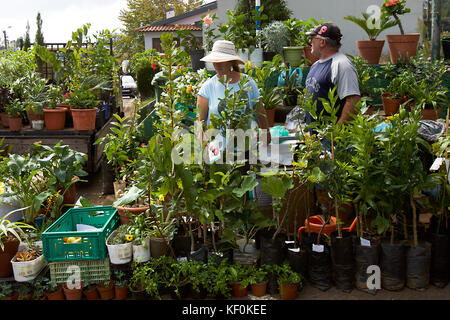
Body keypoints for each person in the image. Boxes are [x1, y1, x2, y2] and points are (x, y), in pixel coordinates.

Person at [197, 40, 271, 158]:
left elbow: (260, 111)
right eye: (215, 61)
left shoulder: (248, 83)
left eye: (221, 61)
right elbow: (200, 121)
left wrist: (266, 134)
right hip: (217, 152)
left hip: (243, 149)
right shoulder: (207, 88)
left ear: (231, 61)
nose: (217, 64)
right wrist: (203, 148)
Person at [304, 23, 361, 125]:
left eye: (312, 38)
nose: (309, 41)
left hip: (332, 138)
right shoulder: (315, 65)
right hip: (316, 137)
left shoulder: (342, 64)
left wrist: (336, 132)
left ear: (322, 42)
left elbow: (353, 102)